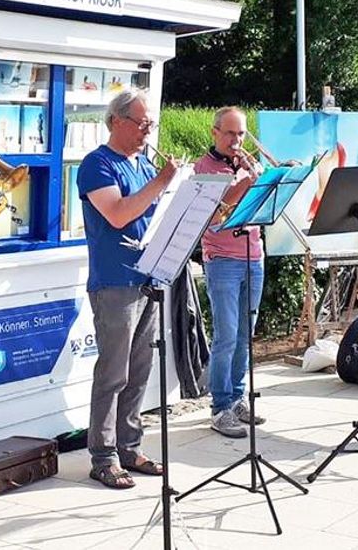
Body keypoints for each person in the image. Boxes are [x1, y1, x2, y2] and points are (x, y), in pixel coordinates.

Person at [77, 89, 177, 489]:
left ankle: (129, 447)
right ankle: (103, 457)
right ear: (117, 121)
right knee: (113, 374)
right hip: (114, 280)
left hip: (147, 277)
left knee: (139, 372)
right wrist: (162, 182)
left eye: (150, 124)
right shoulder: (97, 164)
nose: (147, 131)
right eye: (142, 123)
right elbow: (118, 215)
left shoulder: (141, 163)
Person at [193, 106, 266, 438]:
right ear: (215, 133)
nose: (237, 140)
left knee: (245, 336)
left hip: (254, 255)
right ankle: (220, 407)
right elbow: (213, 216)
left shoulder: (246, 164)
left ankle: (237, 398)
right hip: (222, 259)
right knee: (226, 336)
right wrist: (245, 183)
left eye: (241, 134)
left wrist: (264, 182)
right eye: (230, 133)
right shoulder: (204, 168)